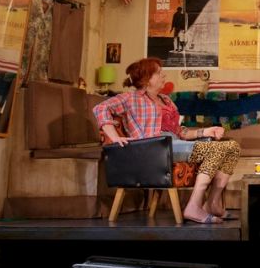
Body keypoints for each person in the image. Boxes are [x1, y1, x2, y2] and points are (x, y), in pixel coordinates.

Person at [94, 57, 241, 224]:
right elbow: (100, 108)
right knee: (217, 149)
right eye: (159, 73)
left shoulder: (166, 100)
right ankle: (193, 206)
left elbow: (179, 132)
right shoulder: (130, 98)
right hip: (155, 148)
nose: (163, 75)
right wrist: (114, 137)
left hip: (176, 144)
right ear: (146, 79)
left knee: (232, 147)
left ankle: (212, 203)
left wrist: (206, 131)